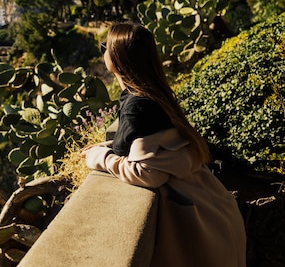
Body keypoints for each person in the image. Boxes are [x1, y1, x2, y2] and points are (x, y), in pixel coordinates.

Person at [82, 22, 246, 267]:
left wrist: (99, 158)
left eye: (106, 46)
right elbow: (141, 143)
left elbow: (148, 174)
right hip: (213, 206)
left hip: (197, 225)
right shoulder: (152, 92)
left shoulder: (138, 106)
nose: (103, 50)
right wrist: (107, 147)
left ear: (118, 56)